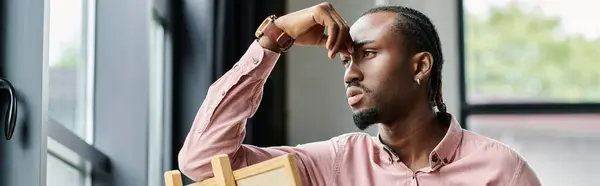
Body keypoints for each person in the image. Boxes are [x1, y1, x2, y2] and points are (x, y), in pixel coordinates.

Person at [178, 3, 541, 186]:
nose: (350, 73)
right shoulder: (332, 164)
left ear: (420, 66)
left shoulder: (502, 172)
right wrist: (275, 38)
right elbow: (203, 161)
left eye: (367, 54)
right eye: (346, 61)